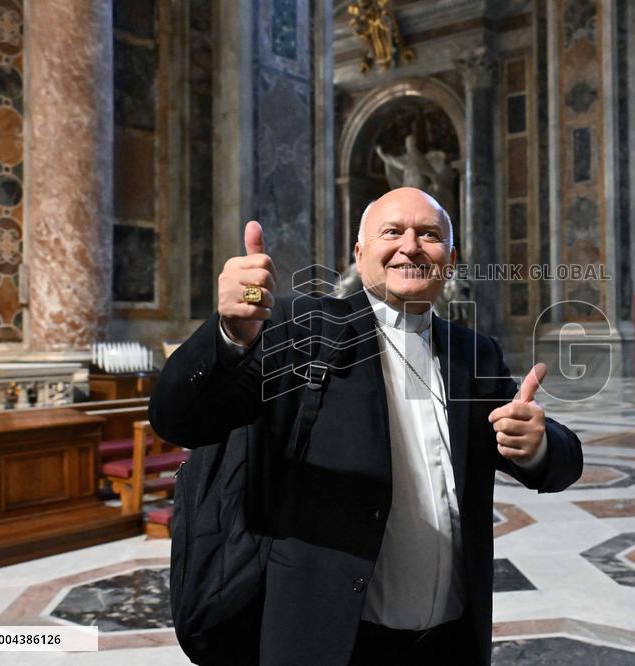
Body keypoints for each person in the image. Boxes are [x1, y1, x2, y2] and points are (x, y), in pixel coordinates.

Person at [150, 187, 583, 664]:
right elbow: (180, 419)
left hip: (449, 642)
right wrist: (230, 333)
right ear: (359, 253)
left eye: (430, 235)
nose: (411, 245)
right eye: (392, 231)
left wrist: (539, 445)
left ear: (451, 259)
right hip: (332, 641)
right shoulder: (301, 330)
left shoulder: (472, 353)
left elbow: (557, 463)